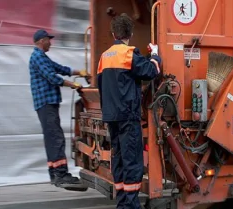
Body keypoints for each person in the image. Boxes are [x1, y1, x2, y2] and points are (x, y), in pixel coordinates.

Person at [97, 14, 161, 208]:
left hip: (111, 117)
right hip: (127, 117)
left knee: (119, 160)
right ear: (130, 34)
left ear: (114, 33)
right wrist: (155, 55)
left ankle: (123, 202)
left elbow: (102, 88)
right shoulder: (128, 54)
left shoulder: (104, 57)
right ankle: (131, 205)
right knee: (132, 161)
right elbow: (151, 71)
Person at [29, 29, 88, 191]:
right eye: (49, 39)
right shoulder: (38, 57)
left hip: (47, 104)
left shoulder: (41, 57)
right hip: (46, 104)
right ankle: (61, 175)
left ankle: (55, 174)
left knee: (52, 138)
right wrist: (73, 85)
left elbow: (60, 68)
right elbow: (52, 77)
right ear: (42, 40)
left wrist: (81, 73)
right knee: (56, 137)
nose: (51, 42)